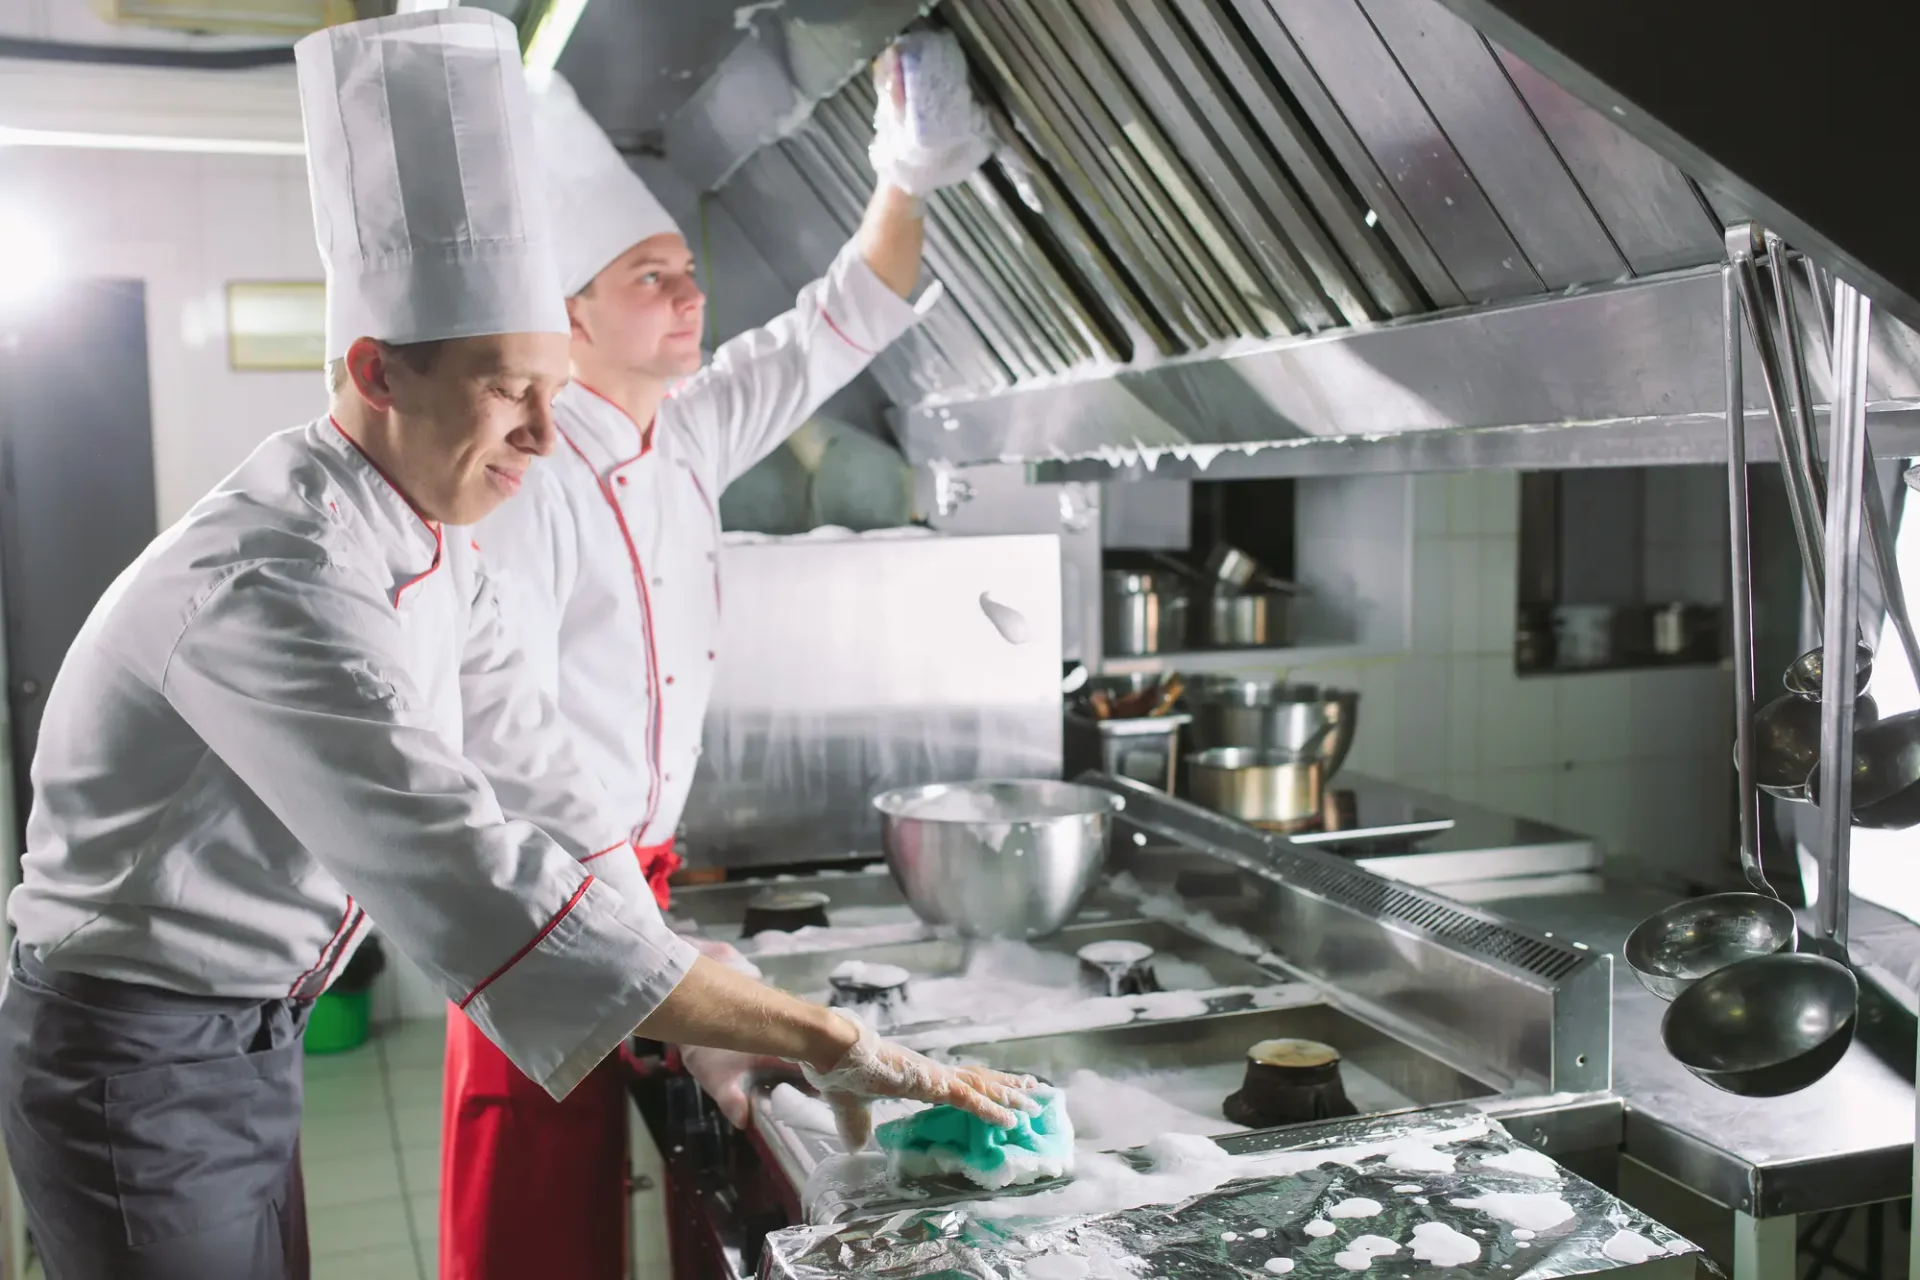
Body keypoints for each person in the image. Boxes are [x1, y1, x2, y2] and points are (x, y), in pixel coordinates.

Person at [0, 14, 1030, 1279]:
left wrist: (701, 1007)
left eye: (555, 388)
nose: (547, 436)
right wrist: (822, 1032)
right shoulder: (281, 581)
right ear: (377, 368)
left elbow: (554, 794)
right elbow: (480, 872)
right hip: (135, 1041)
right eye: (508, 388)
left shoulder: (429, 536)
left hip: (252, 1025)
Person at [439, 35, 995, 1279]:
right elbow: (501, 745)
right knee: (529, 1228)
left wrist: (906, 170)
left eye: (688, 268)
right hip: (541, 900)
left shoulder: (687, 431)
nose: (690, 295)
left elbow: (838, 321)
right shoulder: (526, 481)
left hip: (640, 889)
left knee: (598, 1214)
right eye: (650, 277)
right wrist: (653, 947)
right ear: (569, 312)